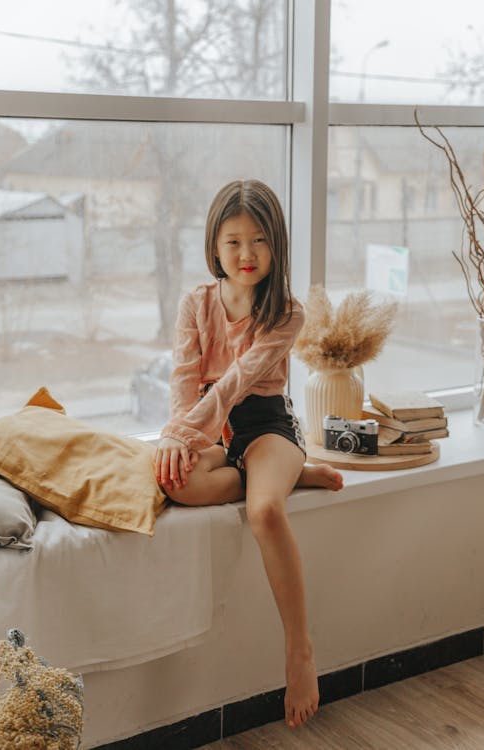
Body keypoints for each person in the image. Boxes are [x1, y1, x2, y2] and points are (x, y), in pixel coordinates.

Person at [155, 179, 344, 730]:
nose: (246, 254)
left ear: (276, 245)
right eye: (233, 241)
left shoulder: (286, 312)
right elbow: (185, 381)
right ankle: (283, 478)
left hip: (265, 428)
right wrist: (176, 437)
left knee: (264, 512)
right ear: (214, 246)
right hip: (214, 433)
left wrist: (187, 434)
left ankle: (299, 649)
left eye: (259, 240)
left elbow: (237, 383)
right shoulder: (195, 302)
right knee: (173, 483)